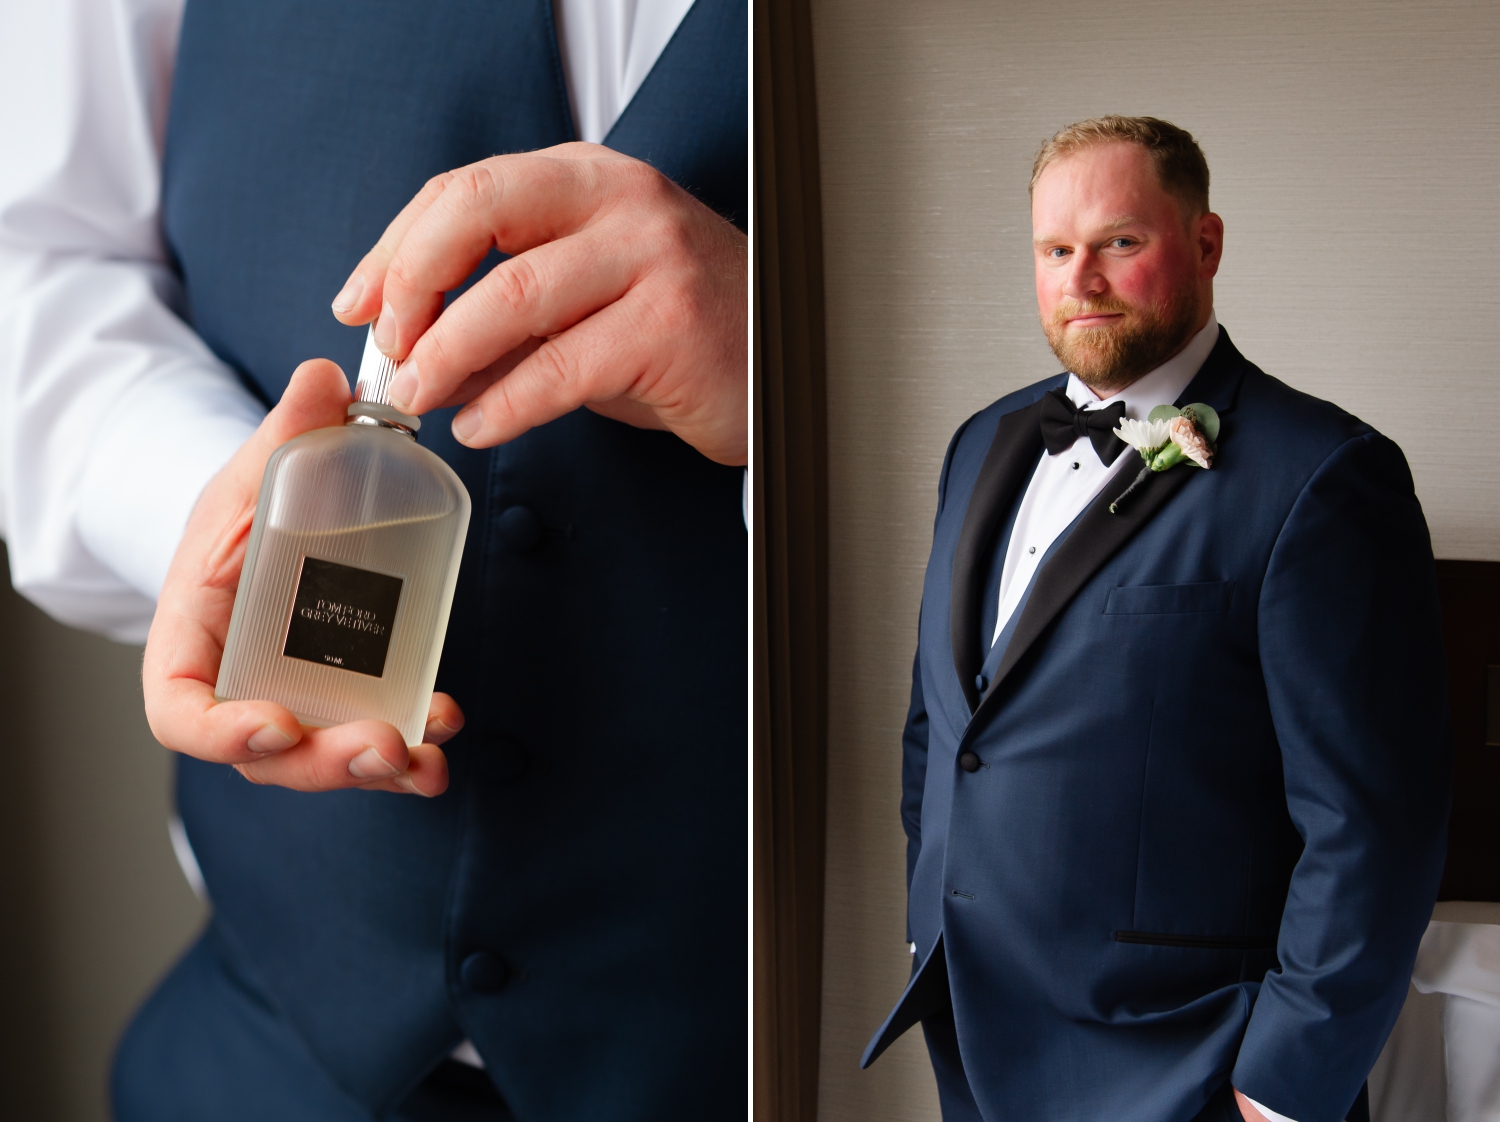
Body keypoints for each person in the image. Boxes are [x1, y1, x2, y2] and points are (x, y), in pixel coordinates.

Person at [0, 0, 746, 1118]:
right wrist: (231, 526)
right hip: (267, 1055)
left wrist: (801, 374)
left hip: (777, 1054)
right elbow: (41, 260)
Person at [859, 116, 1450, 1122]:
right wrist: (931, 927)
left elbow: (1373, 823)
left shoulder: (1327, 477)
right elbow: (946, 726)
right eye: (1055, 250)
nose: (1080, 277)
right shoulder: (982, 445)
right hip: (976, 1033)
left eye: (1119, 243)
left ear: (1205, 244)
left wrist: (1286, 1082)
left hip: (1190, 1072)